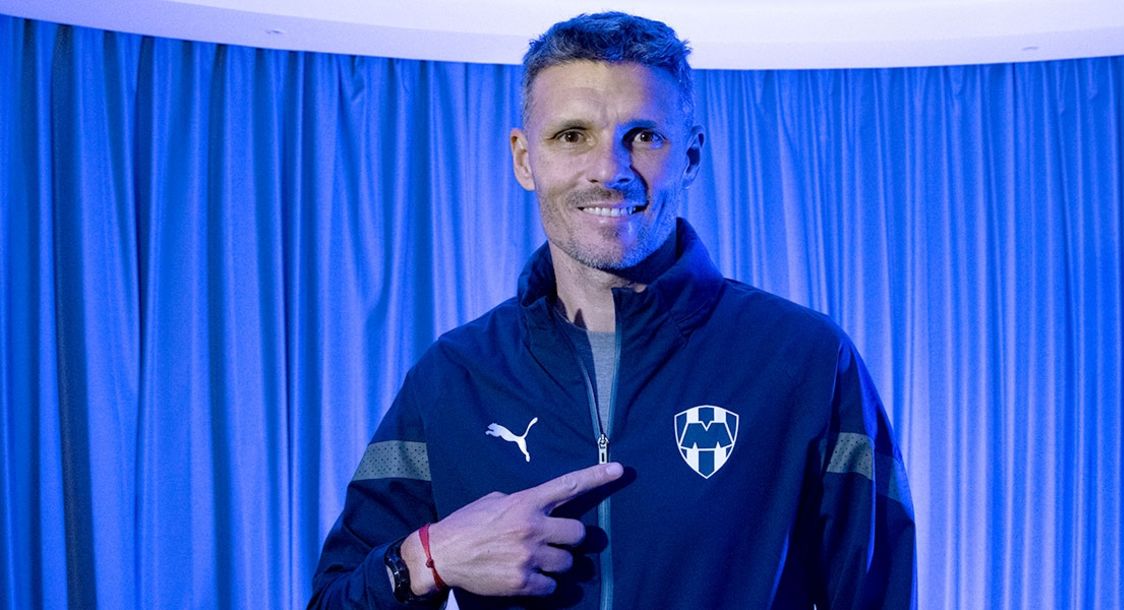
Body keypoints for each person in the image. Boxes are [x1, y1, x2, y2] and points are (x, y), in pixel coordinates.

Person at [310, 11, 916, 609]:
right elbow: (333, 601)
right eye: (572, 136)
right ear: (525, 158)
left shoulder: (806, 361)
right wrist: (428, 557)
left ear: (691, 157)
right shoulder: (453, 377)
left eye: (644, 136)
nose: (609, 170)